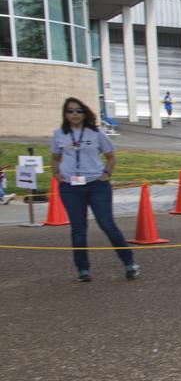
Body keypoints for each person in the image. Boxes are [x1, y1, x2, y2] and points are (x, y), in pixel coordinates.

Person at [49, 97, 139, 282]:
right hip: (70, 187)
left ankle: (129, 263)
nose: (74, 114)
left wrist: (106, 174)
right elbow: (55, 158)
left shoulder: (96, 133)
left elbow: (111, 157)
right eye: (70, 111)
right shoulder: (59, 134)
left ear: (85, 113)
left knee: (107, 224)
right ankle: (83, 269)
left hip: (96, 186)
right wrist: (57, 174)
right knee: (78, 229)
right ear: (65, 114)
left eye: (78, 111)